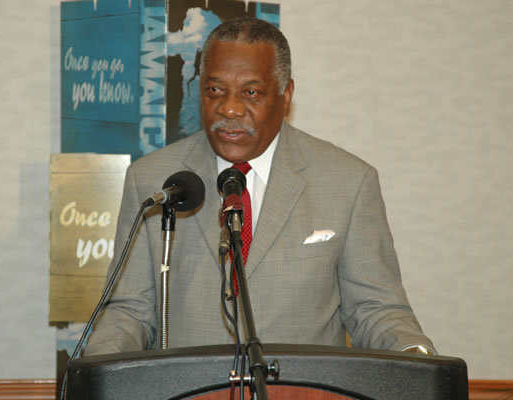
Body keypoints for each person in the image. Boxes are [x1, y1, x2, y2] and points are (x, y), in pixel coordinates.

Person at [84, 17, 435, 356]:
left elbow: (374, 309)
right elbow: (129, 312)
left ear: (285, 96)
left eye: (251, 92)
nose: (230, 108)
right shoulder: (152, 179)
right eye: (215, 90)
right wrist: (96, 371)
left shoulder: (349, 182)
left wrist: (418, 359)